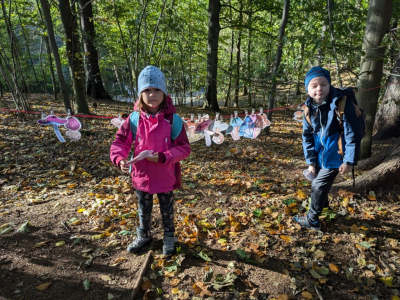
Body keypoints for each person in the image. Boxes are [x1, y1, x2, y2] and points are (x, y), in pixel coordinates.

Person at [110, 65, 191, 254]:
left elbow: (184, 148)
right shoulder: (133, 120)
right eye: (146, 90)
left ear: (164, 93)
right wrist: (119, 158)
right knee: (143, 208)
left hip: (165, 176)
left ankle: (169, 237)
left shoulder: (173, 121)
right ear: (140, 94)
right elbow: (120, 142)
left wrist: (164, 157)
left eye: (156, 90)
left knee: (167, 209)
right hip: (141, 176)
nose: (152, 94)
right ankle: (143, 235)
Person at [293, 66, 361, 231]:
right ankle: (324, 208)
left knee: (317, 186)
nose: (319, 89)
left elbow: (353, 134)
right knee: (318, 184)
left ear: (329, 85)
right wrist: (311, 162)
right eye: (314, 85)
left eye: (323, 84)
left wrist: (349, 161)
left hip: (336, 156)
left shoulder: (341, 103)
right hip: (319, 155)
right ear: (307, 89)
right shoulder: (308, 108)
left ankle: (312, 220)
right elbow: (307, 136)